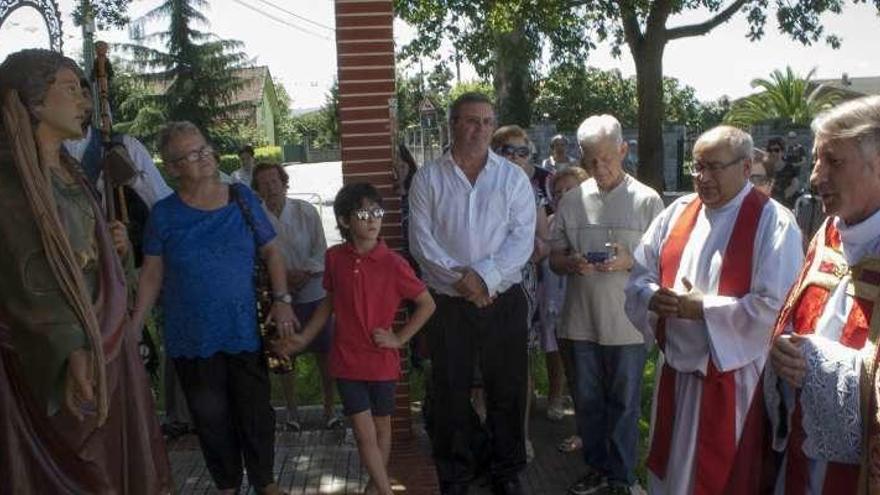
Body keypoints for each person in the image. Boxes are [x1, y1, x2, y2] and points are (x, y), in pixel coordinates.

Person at [0, 48, 171, 494]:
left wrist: (112, 248)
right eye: (71, 89)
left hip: (103, 336)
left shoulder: (70, 171)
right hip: (60, 349)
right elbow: (25, 273)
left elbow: (81, 250)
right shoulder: (13, 182)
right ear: (34, 102)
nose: (85, 102)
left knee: (115, 457)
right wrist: (70, 344)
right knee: (85, 463)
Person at [624, 125, 804, 495]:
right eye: (697, 167)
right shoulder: (676, 214)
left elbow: (776, 307)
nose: (702, 178)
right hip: (675, 372)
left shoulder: (773, 222)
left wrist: (702, 309)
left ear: (745, 167)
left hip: (733, 379)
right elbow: (639, 275)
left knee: (721, 479)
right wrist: (653, 298)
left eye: (713, 167)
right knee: (672, 475)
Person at [131, 122, 296, 495]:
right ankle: (226, 484)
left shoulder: (241, 197)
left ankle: (265, 481)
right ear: (172, 168)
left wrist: (283, 302)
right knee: (210, 417)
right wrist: (134, 326)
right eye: (191, 155)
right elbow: (152, 274)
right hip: (192, 333)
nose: (203, 158)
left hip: (243, 328)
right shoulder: (164, 214)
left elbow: (271, 251)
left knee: (255, 411)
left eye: (204, 149)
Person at [408, 92, 536, 495]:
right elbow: (421, 242)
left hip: (503, 300)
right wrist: (461, 281)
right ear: (453, 124)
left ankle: (506, 471)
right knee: (450, 390)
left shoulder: (512, 178)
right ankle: (457, 472)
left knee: (508, 390)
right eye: (470, 120)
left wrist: (483, 278)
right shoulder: (429, 177)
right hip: (448, 303)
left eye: (486, 121)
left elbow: (522, 240)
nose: (479, 128)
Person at [285, 182, 435, 495]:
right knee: (364, 434)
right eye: (363, 213)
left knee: (382, 427)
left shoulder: (394, 263)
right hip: (346, 360)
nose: (372, 219)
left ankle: (374, 488)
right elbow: (329, 303)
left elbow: (427, 303)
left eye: (377, 212)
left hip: (381, 361)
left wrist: (399, 338)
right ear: (344, 221)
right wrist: (303, 338)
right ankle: (385, 490)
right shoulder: (334, 258)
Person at [766, 95, 880, 494]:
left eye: (833, 161)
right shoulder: (830, 231)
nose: (816, 177)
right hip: (801, 454)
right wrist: (781, 351)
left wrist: (819, 365)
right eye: (816, 160)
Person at [549, 115, 664, 495]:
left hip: (628, 324)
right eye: (591, 161)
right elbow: (553, 257)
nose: (599, 168)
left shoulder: (647, 200)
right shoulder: (571, 200)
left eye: (607, 158)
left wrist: (631, 261)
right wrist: (570, 263)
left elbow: (663, 262)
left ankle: (622, 476)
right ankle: (597, 468)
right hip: (579, 322)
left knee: (625, 405)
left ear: (623, 150)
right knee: (587, 403)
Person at [251, 161, 340, 430]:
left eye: (275, 182)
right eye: (264, 184)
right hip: (278, 296)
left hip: (313, 292)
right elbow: (257, 256)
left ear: (284, 183)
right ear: (257, 189)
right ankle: (292, 413)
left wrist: (303, 274)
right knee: (284, 356)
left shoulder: (306, 211)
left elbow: (320, 250)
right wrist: (282, 279)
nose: (271, 188)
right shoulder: (256, 218)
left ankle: (329, 410)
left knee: (325, 354)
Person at [491, 125, 551, 462]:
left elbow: (544, 243)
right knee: (480, 366)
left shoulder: (531, 191)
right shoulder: (480, 183)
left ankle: (520, 437)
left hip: (520, 288)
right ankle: (485, 434)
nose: (514, 157)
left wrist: (528, 249)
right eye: (506, 150)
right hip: (480, 287)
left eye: (521, 151)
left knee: (517, 365)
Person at [543, 167, 590, 451]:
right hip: (554, 308)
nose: (562, 197)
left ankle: (589, 433)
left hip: (586, 310)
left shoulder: (593, 223)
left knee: (587, 376)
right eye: (557, 192)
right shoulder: (548, 223)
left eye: (569, 190)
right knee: (569, 369)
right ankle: (581, 429)